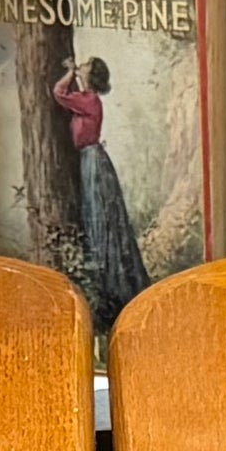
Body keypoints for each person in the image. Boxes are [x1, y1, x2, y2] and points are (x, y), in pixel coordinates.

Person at [50, 56, 151, 332]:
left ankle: (113, 287)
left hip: (93, 163)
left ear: (91, 76)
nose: (80, 66)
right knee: (97, 217)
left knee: (102, 218)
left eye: (85, 66)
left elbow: (58, 93)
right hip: (89, 161)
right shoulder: (85, 97)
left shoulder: (90, 100)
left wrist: (69, 72)